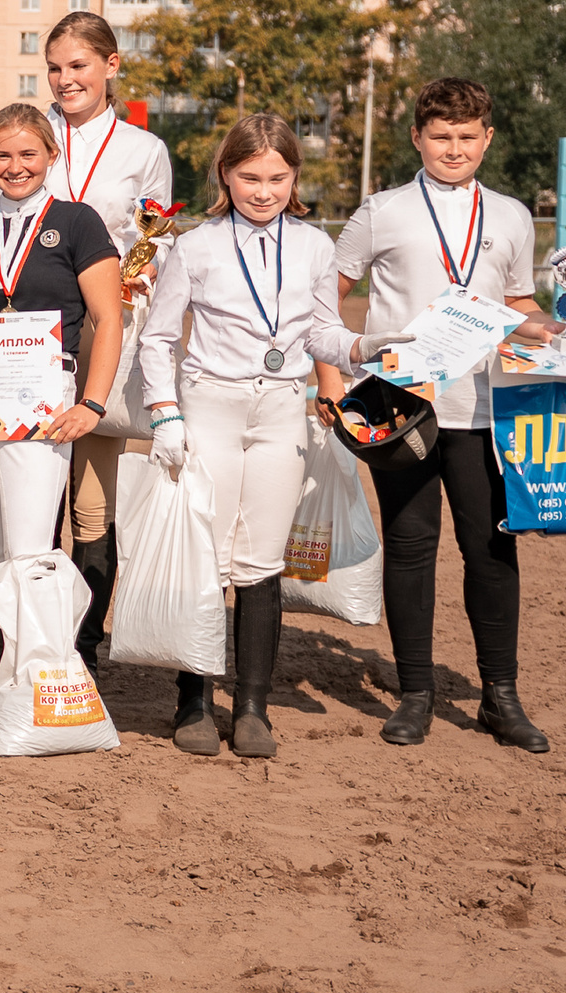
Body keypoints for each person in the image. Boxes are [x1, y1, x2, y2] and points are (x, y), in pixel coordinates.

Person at [138, 114, 391, 757]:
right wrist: (165, 411)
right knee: (208, 556)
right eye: (250, 176)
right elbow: (160, 337)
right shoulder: (194, 247)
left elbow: (322, 334)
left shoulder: (312, 246)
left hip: (282, 409)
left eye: (277, 177)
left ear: (294, 177)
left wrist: (365, 344)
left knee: (262, 561)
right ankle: (191, 701)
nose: (263, 190)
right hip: (211, 410)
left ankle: (252, 707)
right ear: (225, 174)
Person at [331, 78, 558, 751]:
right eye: (440, 135)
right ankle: (415, 692)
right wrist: (338, 368)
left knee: (492, 548)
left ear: (487, 138)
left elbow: (518, 302)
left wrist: (556, 328)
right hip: (402, 406)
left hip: (485, 407)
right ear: (417, 137)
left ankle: (500, 696)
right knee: (409, 546)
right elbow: (325, 292)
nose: (453, 148)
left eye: (466, 136)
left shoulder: (514, 215)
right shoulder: (381, 210)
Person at [0, 12, 175, 667]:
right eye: (55, 68)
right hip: (25, 344)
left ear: (112, 66)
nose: (66, 79)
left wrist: (140, 271)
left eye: (79, 65)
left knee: (91, 501)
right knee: (28, 501)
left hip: (99, 335)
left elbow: (158, 237)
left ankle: (81, 649)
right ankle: (23, 646)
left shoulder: (144, 151)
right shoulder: (25, 135)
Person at [0, 102, 122, 739]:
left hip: (42, 389)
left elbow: (108, 319)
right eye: (2, 156)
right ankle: (0, 695)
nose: (14, 167)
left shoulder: (77, 222)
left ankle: (40, 692)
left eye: (27, 154)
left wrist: (91, 402)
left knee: (32, 547)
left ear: (50, 155)